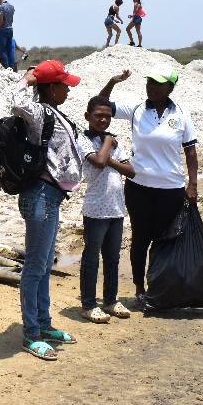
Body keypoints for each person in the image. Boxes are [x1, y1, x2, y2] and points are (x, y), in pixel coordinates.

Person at [102, 66, 198, 307]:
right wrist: (112, 82)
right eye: (149, 82)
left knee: (166, 239)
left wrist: (193, 184)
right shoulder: (136, 109)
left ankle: (161, 286)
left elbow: (191, 151)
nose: (151, 87)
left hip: (172, 189)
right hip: (139, 188)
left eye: (158, 83)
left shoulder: (182, 113)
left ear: (170, 88)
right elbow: (100, 106)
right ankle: (139, 289)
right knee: (141, 239)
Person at [12, 60, 84, 360]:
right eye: (63, 85)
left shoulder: (54, 112)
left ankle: (44, 323)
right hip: (40, 196)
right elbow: (17, 104)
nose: (68, 89)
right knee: (34, 267)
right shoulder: (39, 113)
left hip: (51, 197)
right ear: (51, 88)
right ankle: (31, 333)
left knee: (42, 265)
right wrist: (26, 81)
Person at [76, 96, 135, 323]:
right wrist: (109, 142)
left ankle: (110, 300)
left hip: (116, 208)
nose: (103, 120)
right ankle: (88, 304)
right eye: (99, 115)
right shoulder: (84, 140)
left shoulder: (110, 142)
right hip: (95, 209)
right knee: (91, 257)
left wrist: (109, 152)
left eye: (108, 117)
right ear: (87, 116)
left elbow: (130, 171)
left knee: (112, 257)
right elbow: (99, 162)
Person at [0, 0, 16, 72]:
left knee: (2, 50)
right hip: (10, 29)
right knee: (10, 50)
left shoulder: (1, 7)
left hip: (3, 30)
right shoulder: (12, 6)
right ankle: (12, 68)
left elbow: (1, 20)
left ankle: (7, 69)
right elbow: (11, 19)